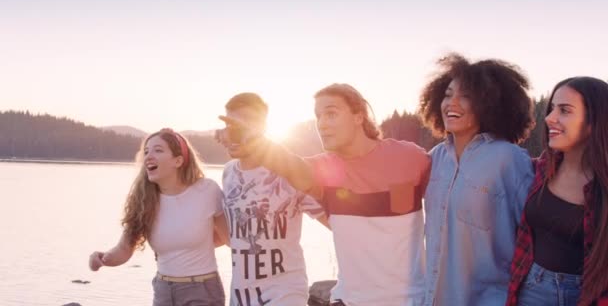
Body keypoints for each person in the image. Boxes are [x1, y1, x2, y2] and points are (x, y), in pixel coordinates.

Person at [218, 84, 430, 306]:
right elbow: (288, 165)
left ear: (359, 116)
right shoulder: (324, 171)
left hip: (409, 301)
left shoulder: (409, 158)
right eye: (318, 117)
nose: (322, 124)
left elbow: (452, 205)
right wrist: (250, 137)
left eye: (331, 114)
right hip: (347, 301)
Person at [418, 53, 535, 305]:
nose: (452, 103)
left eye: (466, 96)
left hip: (490, 299)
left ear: (491, 103)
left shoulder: (510, 159)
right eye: (448, 94)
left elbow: (532, 236)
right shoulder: (435, 158)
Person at [88, 128, 228, 306]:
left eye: (158, 150)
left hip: (202, 290)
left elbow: (229, 238)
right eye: (146, 152)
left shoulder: (207, 190)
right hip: (163, 290)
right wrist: (103, 258)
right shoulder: (143, 200)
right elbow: (124, 249)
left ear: (178, 161)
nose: (148, 156)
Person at [217, 92, 327, 306]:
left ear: (262, 129)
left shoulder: (288, 173)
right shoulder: (228, 173)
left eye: (242, 124)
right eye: (229, 124)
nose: (235, 132)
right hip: (241, 295)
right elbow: (235, 235)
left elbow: (335, 223)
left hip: (284, 294)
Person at [506, 77, 608, 306]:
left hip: (587, 297)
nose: (549, 118)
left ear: (594, 120)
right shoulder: (538, 170)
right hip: (531, 289)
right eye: (552, 109)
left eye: (564, 110)